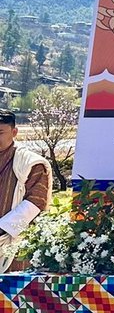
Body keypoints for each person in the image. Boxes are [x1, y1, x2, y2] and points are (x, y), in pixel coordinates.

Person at [0, 109, 51, 272]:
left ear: (14, 132)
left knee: (12, 292)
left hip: (14, 241)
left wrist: (3, 227)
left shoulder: (31, 164)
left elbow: (36, 202)